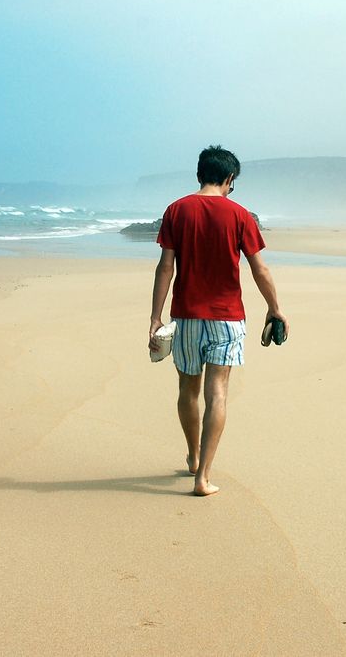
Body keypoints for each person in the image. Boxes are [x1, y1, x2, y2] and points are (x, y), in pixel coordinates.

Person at [148, 145, 288, 496]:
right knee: (218, 394)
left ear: (199, 174)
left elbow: (166, 266)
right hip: (227, 318)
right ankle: (203, 478)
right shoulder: (240, 215)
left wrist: (155, 316)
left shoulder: (176, 211)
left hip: (187, 316)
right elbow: (260, 269)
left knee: (187, 390)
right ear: (229, 179)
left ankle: (193, 456)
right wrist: (275, 308)